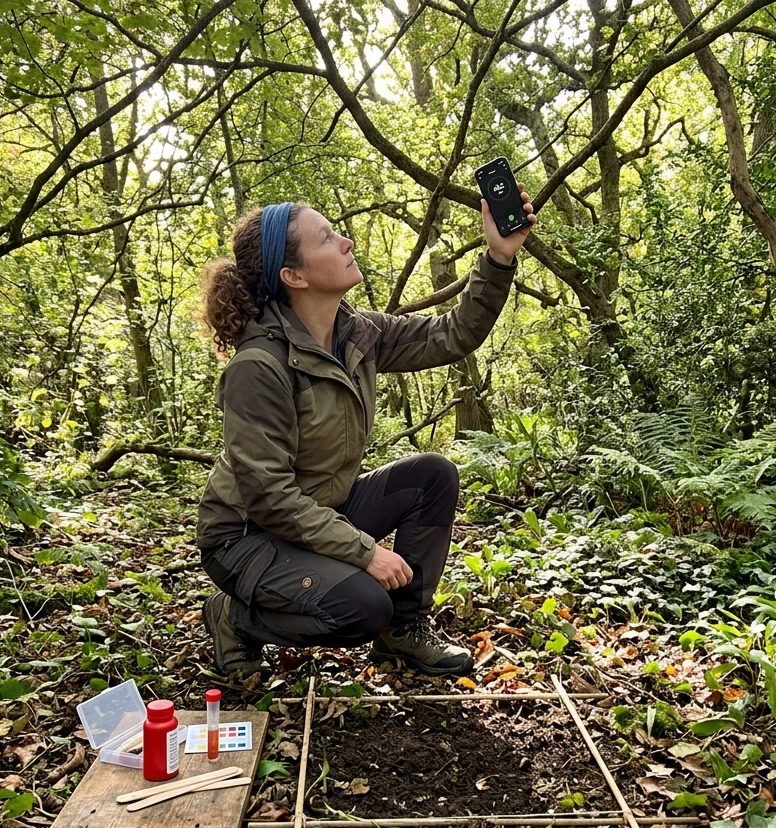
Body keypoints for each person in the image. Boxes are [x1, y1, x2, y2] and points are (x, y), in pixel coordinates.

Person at [196, 187, 536, 678]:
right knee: (363, 607)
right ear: (294, 276)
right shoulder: (259, 366)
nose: (346, 240)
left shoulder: (355, 334)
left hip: (319, 510)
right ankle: (234, 617)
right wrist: (366, 552)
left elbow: (453, 334)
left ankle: (403, 632)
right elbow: (269, 497)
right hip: (246, 537)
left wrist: (499, 257)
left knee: (432, 475)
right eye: (328, 239)